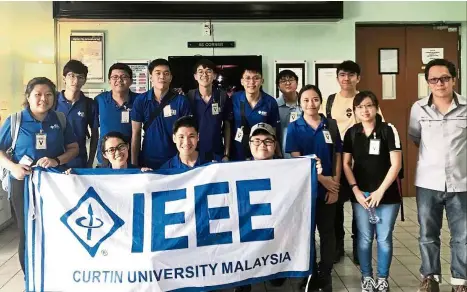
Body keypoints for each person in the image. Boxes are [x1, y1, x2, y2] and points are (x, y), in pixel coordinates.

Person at [0, 77, 79, 273]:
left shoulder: (60, 119)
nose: (43, 99)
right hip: (23, 183)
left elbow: (74, 148)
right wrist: (13, 167)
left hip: (53, 182)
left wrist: (57, 161)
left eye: (48, 94)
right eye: (38, 94)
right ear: (28, 96)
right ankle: (30, 277)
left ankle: (52, 274)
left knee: (55, 228)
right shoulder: (15, 120)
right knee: (27, 231)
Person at [409, 59, 466, 292]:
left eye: (444, 78)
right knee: (427, 234)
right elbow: (415, 137)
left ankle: (460, 281)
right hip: (428, 182)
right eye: (434, 79)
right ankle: (430, 277)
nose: (439, 83)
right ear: (428, 83)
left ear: (453, 79)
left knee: (462, 236)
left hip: (461, 182)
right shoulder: (418, 108)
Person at [322, 60, 383, 264]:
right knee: (336, 207)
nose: (346, 79)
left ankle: (360, 246)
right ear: (338, 77)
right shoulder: (330, 101)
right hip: (338, 163)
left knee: (362, 207)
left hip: (362, 165)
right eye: (342, 75)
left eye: (350, 75)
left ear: (358, 78)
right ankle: (338, 245)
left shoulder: (366, 100)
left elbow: (379, 129)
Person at [342, 91, 402, 292]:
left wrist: (379, 191)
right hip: (361, 196)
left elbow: (396, 165)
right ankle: (366, 277)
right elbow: (346, 164)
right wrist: (356, 190)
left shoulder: (388, 130)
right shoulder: (352, 133)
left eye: (369, 105)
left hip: (387, 195)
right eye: (360, 107)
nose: (365, 110)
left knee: (384, 238)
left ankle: (382, 278)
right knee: (364, 238)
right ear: (355, 111)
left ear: (376, 107)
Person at [285, 85, 341, 292]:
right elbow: (296, 159)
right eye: (306, 100)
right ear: (300, 103)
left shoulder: (331, 125)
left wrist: (334, 185)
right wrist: (322, 179)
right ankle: (309, 274)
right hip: (305, 190)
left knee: (328, 233)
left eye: (315, 99)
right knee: (306, 235)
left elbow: (337, 156)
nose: (311, 104)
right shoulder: (294, 127)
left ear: (320, 101)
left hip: (329, 190)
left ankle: (325, 274)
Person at [131, 58, 191, 169]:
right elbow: (136, 134)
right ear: (151, 77)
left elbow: (187, 133)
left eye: (166, 73)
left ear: (171, 78)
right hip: (148, 160)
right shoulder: (141, 100)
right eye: (157, 73)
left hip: (176, 160)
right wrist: (134, 164)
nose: (162, 77)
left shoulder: (181, 101)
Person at [230, 67, 281, 161]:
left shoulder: (270, 102)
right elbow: (227, 125)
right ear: (242, 81)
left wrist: (278, 154)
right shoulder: (234, 99)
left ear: (262, 81)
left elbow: (274, 130)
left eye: (256, 78)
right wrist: (226, 153)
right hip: (238, 150)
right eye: (248, 78)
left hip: (262, 151)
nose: (252, 82)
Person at [186, 59, 232, 161]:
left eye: (208, 71)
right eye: (201, 72)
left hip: (217, 152)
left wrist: (226, 154)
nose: (205, 74)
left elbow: (227, 126)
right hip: (194, 154)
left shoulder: (222, 96)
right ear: (195, 76)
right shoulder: (189, 97)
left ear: (214, 76)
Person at [55, 59, 99, 168]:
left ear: (84, 80)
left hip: (78, 160)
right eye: (71, 76)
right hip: (54, 158)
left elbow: (95, 135)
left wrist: (90, 161)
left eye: (80, 77)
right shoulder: (53, 101)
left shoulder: (89, 104)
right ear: (64, 78)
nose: (75, 80)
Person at [95, 63, 139, 167]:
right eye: (115, 77)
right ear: (109, 81)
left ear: (131, 81)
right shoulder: (100, 100)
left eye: (124, 77)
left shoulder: (139, 100)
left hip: (129, 156)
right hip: (106, 157)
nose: (119, 80)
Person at [276, 69, 301, 158]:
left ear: (297, 83)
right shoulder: (274, 105)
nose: (287, 83)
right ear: (278, 86)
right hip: (281, 154)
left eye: (291, 80)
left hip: (303, 153)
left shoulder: (305, 103)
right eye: (283, 81)